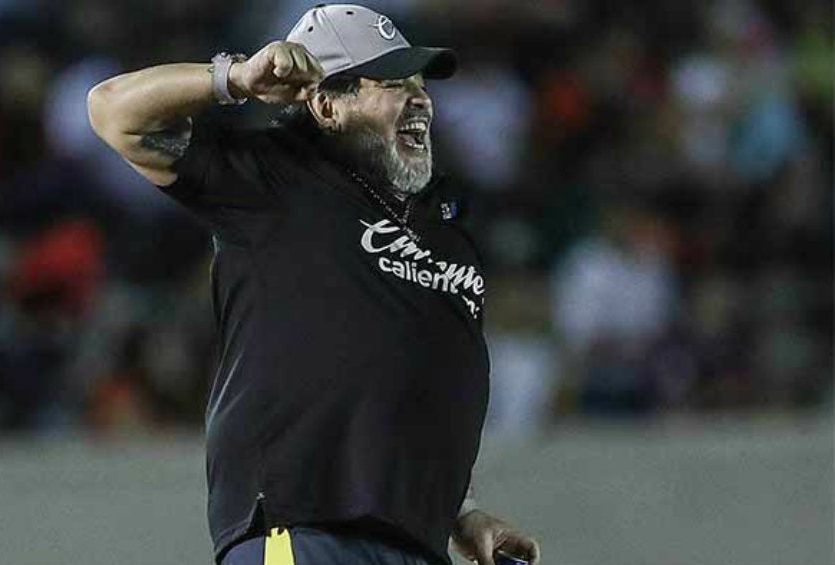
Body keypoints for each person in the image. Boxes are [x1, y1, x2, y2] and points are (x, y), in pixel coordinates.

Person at [88, 4, 541, 565]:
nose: (420, 98)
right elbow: (112, 111)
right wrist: (233, 79)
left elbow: (413, 383)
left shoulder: (443, 225)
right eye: (392, 84)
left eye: (420, 84)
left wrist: (462, 510)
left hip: (416, 541)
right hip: (306, 527)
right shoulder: (273, 181)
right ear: (327, 104)